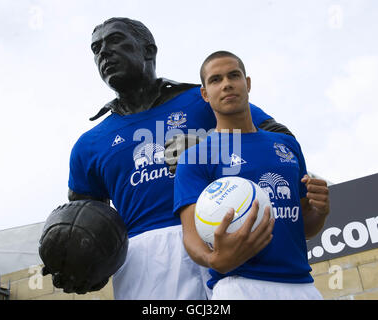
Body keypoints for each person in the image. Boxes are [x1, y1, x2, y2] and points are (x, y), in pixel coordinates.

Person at [65, 17, 295, 300]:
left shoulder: (203, 100)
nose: (103, 53)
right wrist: (75, 259)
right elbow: (86, 225)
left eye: (114, 41)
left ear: (148, 50)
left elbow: (282, 141)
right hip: (146, 262)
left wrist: (208, 145)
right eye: (96, 49)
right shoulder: (88, 145)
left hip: (226, 236)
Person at [173, 51, 330, 300]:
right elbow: (192, 238)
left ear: (247, 83)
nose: (226, 84)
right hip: (239, 286)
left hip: (302, 285)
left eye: (233, 75)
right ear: (204, 93)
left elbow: (305, 227)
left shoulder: (287, 145)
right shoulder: (195, 157)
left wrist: (319, 211)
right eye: (215, 80)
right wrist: (214, 259)